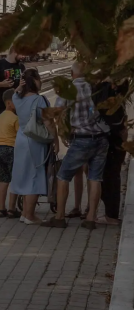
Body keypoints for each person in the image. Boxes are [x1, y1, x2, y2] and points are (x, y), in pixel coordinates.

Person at [42, 62, 110, 230]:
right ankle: (91, 218)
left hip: (82, 138)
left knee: (63, 176)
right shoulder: (96, 87)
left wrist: (61, 134)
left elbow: (58, 112)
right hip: (102, 137)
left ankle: (59, 217)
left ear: (72, 74)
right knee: (95, 178)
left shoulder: (69, 88)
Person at [11, 69, 58, 225]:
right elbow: (48, 123)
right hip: (35, 141)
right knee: (34, 177)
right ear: (36, 81)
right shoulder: (39, 100)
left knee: (25, 176)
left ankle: (25, 213)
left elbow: (14, 93)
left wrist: (18, 87)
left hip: (21, 139)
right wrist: (55, 139)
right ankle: (30, 215)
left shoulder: (16, 98)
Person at [95, 79, 129, 225]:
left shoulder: (110, 97)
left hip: (111, 141)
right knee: (111, 176)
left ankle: (111, 216)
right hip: (117, 140)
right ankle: (111, 213)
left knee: (109, 177)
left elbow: (105, 114)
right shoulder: (118, 97)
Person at [0, 89, 21, 219]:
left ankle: (1, 209)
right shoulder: (15, 118)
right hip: (11, 149)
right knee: (14, 179)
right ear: (9, 103)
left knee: (3, 180)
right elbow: (20, 135)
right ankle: (11, 208)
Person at [0, 47, 26, 122]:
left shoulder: (21, 66)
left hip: (17, 106)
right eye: (22, 54)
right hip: (1, 107)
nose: (24, 56)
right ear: (15, 51)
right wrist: (1, 84)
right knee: (0, 131)